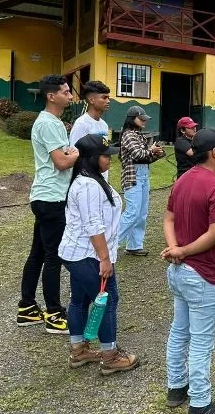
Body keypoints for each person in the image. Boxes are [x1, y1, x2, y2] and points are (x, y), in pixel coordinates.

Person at [161, 128, 215, 414]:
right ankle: (201, 404)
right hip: (203, 274)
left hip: (180, 273)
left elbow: (168, 219)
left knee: (179, 332)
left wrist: (175, 250)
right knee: (201, 342)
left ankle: (176, 387)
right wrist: (180, 251)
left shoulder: (182, 180)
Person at [58, 134, 139, 374]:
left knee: (81, 300)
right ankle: (110, 355)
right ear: (92, 158)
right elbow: (93, 225)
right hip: (87, 255)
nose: (109, 159)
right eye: (105, 155)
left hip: (80, 253)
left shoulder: (92, 180)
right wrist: (105, 259)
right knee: (107, 300)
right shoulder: (88, 186)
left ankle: (79, 350)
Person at [17, 74, 78, 334]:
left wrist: (68, 152)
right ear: (51, 96)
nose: (70, 96)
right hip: (52, 198)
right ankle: (54, 313)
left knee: (39, 253)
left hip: (43, 196)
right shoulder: (50, 123)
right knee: (53, 257)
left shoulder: (48, 122)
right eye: (65, 92)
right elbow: (62, 162)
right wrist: (77, 152)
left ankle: (27, 307)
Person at [118, 106, 164, 256]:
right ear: (132, 118)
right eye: (141, 118)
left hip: (142, 174)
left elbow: (146, 158)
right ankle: (110, 244)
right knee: (132, 212)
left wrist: (156, 153)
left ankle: (134, 245)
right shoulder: (128, 135)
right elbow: (138, 153)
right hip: (133, 175)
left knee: (141, 213)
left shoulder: (139, 135)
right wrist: (152, 150)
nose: (144, 121)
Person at [68, 81, 111, 147]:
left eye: (108, 98)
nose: (108, 101)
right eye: (104, 98)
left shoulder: (104, 125)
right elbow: (74, 151)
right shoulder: (81, 124)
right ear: (91, 100)